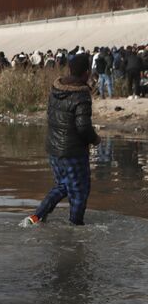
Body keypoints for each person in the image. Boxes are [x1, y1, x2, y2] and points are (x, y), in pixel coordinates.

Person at [22, 54, 101, 227]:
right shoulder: (82, 95)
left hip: (53, 149)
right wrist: (95, 139)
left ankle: (36, 217)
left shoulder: (56, 90)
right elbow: (83, 126)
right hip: (73, 152)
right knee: (80, 190)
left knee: (63, 185)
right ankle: (75, 226)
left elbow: (51, 116)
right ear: (86, 72)